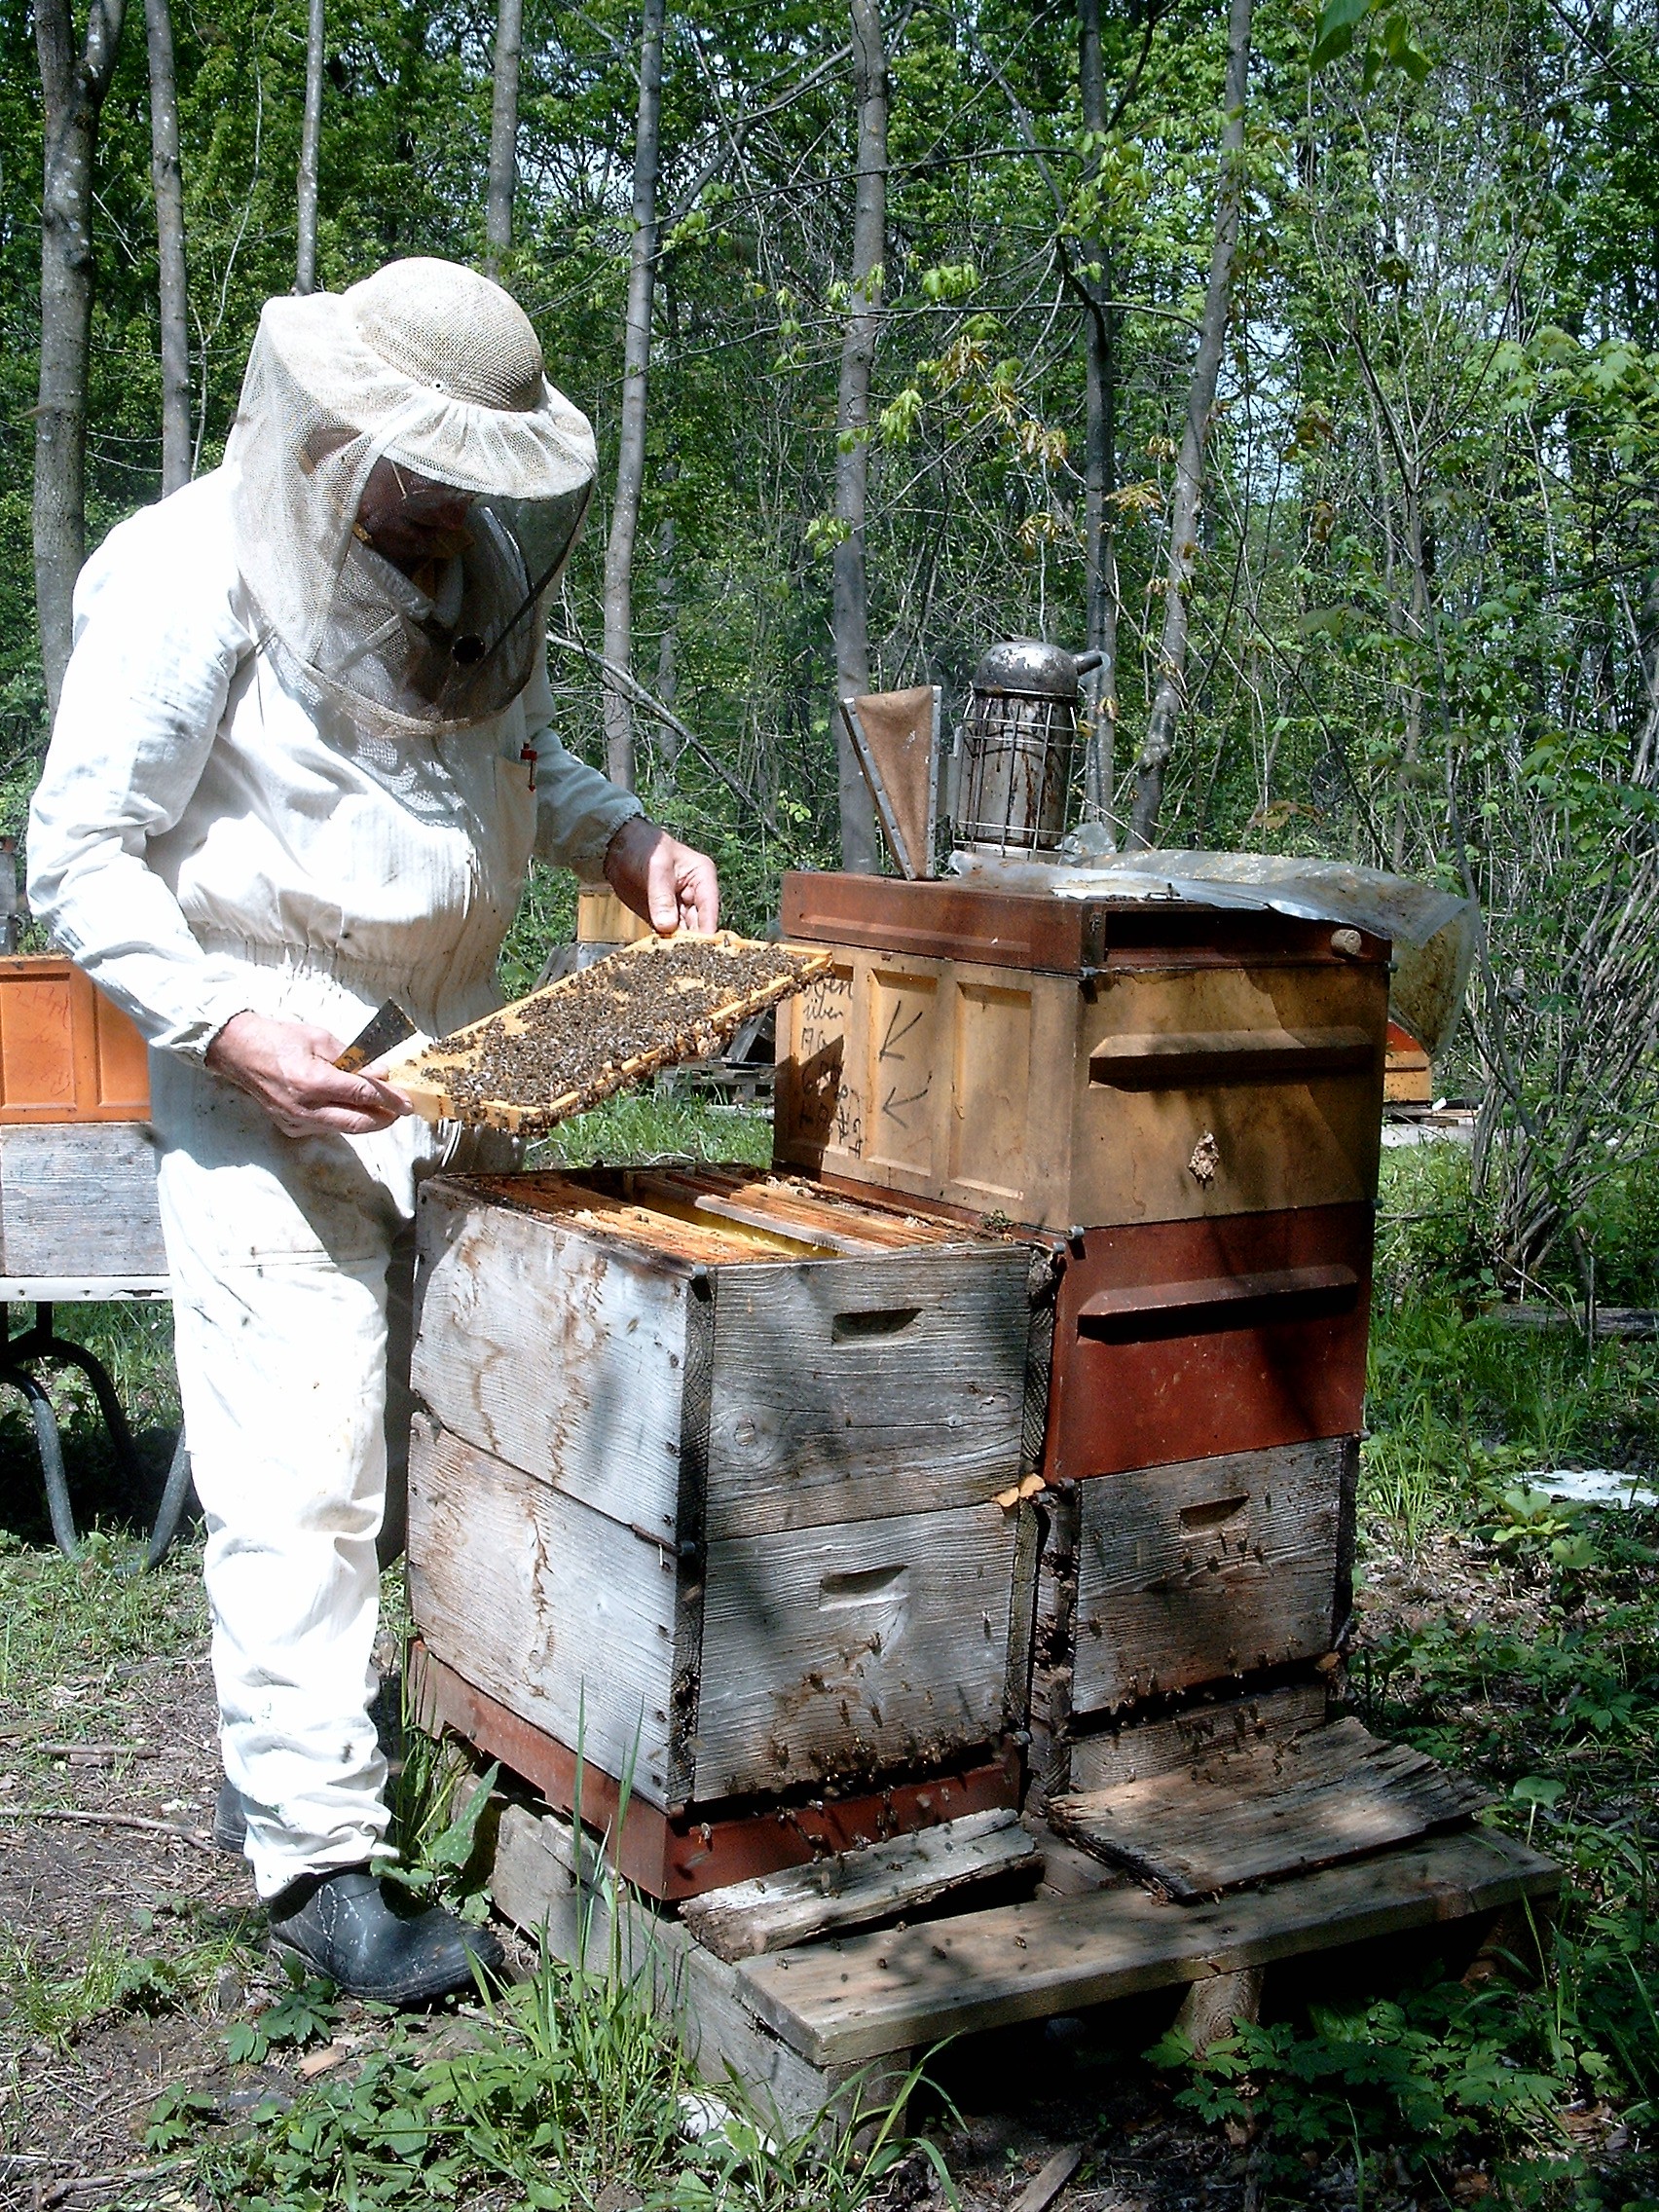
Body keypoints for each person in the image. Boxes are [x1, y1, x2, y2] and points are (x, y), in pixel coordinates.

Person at [27, 258, 719, 2004]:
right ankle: (316, 1869)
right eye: (430, 459)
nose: (454, 498)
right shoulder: (188, 568)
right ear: (345, 421)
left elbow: (504, 763)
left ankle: (440, 1738)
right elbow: (81, 854)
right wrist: (230, 1028)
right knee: (300, 1480)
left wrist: (626, 841)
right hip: (267, 1064)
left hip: (450, 1070)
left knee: (455, 1441)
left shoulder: (468, 569)